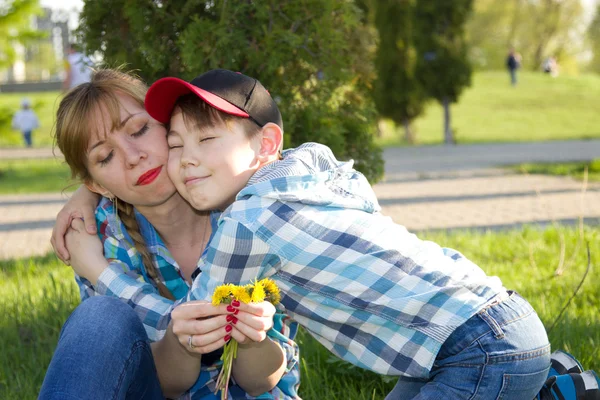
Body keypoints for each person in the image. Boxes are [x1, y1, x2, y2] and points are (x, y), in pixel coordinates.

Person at [139, 68, 551, 399]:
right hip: (490, 321)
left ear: (266, 145)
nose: (187, 160)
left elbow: (193, 322)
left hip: (477, 349)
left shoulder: (248, 220)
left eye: (206, 138)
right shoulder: (313, 173)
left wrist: (95, 267)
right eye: (175, 145)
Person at [43, 68, 300, 399]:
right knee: (97, 317)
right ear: (95, 184)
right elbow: (164, 382)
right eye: (106, 157)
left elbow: (264, 380)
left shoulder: (250, 211)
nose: (134, 157)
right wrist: (182, 340)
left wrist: (252, 338)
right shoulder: (100, 237)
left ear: (171, 124)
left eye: (139, 130)